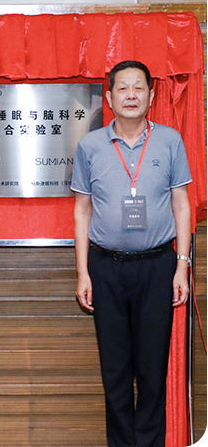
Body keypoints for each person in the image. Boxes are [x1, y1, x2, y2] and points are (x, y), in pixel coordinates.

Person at [72, 60, 192, 447]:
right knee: (115, 370)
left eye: (138, 87)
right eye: (122, 88)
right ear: (109, 98)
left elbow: (181, 205)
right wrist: (83, 273)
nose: (130, 95)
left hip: (158, 266)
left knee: (153, 369)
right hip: (105, 268)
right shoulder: (90, 146)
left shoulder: (170, 141)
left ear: (151, 96)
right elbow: (82, 211)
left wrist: (182, 266)